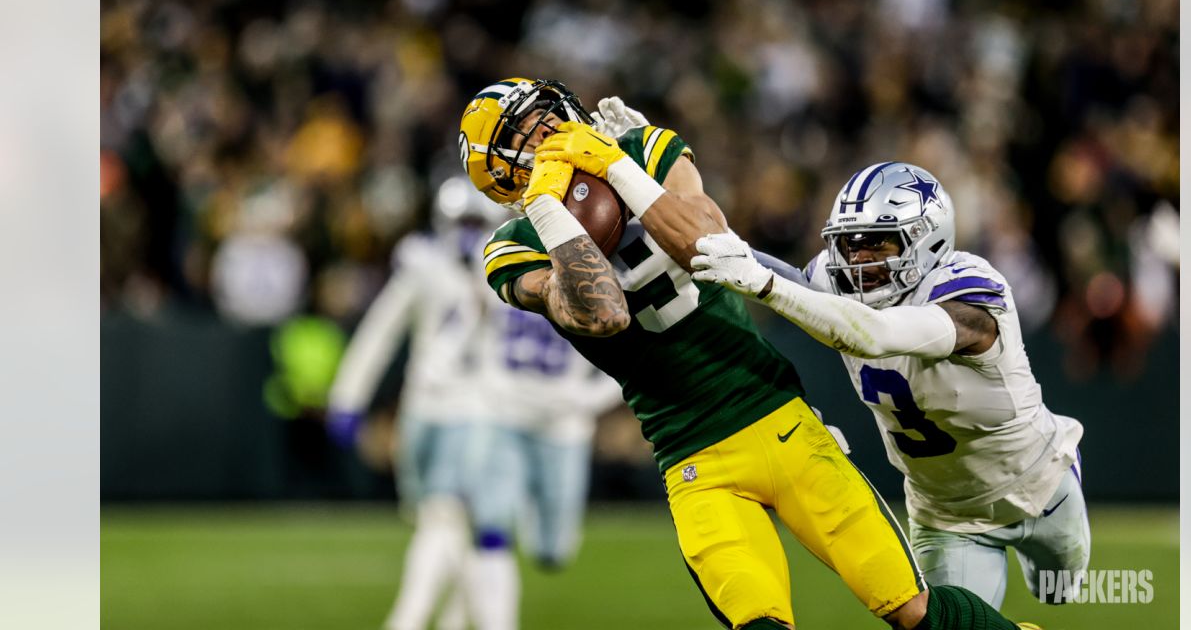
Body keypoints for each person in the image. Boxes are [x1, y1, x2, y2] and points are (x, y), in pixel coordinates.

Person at [458, 77, 1036, 630]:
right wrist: (550, 212)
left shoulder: (641, 148)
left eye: (550, 114)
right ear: (500, 171)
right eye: (528, 133)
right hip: (693, 459)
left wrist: (618, 167)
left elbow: (708, 244)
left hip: (776, 417)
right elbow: (602, 311)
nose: (551, 131)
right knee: (759, 622)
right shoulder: (511, 248)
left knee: (912, 610)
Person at [689, 161, 1090, 609]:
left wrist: (763, 284)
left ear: (927, 237)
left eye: (877, 242)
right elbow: (739, 256)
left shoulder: (972, 294)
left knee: (1060, 595)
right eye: (849, 244)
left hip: (1039, 485)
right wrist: (658, 180)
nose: (858, 260)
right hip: (945, 515)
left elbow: (876, 333)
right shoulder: (834, 280)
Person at [327, 175, 618, 630]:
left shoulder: (507, 268)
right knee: (439, 520)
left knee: (453, 519)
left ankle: (411, 618)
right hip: (425, 407)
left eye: (473, 221)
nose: (465, 232)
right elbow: (384, 330)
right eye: (458, 221)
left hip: (478, 410)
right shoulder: (425, 263)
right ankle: (454, 615)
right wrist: (349, 395)